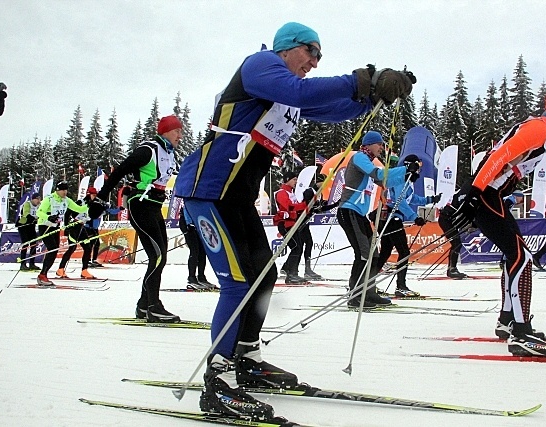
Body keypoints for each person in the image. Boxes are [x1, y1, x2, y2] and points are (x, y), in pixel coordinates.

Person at [174, 22, 414, 421]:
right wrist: (361, 78)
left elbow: (334, 111)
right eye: (310, 52)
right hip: (209, 191)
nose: (315, 62)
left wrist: (374, 97)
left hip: (236, 199)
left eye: (320, 56)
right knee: (239, 284)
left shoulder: (285, 92)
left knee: (263, 278)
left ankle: (247, 360)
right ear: (288, 48)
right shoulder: (260, 65)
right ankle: (218, 383)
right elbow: (301, 91)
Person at [452, 88, 546, 358]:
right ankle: (521, 332)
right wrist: (474, 194)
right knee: (521, 258)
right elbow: (497, 158)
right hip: (486, 193)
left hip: (491, 193)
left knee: (515, 256)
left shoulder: (542, 132)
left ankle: (508, 320)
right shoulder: (538, 128)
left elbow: (507, 163)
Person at [97, 115, 183, 323]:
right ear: (165, 131)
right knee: (158, 257)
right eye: (176, 131)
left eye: (181, 131)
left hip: (153, 206)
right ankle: (154, 306)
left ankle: (144, 305)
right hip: (140, 204)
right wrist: (100, 198)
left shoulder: (168, 152)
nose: (180, 135)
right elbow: (120, 171)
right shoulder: (149, 149)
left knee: (161, 256)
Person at [337, 131, 407, 308]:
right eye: (379, 144)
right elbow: (377, 174)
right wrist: (404, 169)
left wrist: (407, 175)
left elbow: (385, 183)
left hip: (358, 214)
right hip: (349, 211)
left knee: (373, 254)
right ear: (368, 145)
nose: (381, 148)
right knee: (364, 254)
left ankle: (370, 292)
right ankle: (355, 296)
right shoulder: (360, 157)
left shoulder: (368, 161)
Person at [375, 154, 441, 297]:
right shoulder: (401, 178)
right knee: (404, 252)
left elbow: (412, 198)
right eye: (418, 166)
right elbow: (400, 201)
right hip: (392, 219)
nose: (419, 170)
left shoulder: (408, 180)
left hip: (391, 218)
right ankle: (401, 286)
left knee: (385, 253)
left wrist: (430, 199)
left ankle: (367, 283)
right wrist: (414, 217)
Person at [36, 181, 90, 286]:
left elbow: (79, 209)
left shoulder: (66, 200)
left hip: (55, 227)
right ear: (57, 190)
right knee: (52, 249)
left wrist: (89, 204)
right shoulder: (49, 199)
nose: (65, 192)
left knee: (55, 250)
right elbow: (39, 212)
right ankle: (42, 275)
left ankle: (43, 275)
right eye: (62, 190)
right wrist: (49, 217)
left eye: (66, 190)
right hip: (45, 226)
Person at [273, 170, 314, 284]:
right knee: (296, 247)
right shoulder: (282, 192)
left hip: (292, 223)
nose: (296, 181)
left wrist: (308, 203)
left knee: (298, 246)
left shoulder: (291, 193)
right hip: (285, 224)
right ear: (287, 180)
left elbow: (296, 207)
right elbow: (289, 207)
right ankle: (291, 274)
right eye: (294, 179)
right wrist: (304, 204)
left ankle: (289, 270)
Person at [55, 194, 97, 280]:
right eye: (94, 195)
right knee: (72, 248)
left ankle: (84, 271)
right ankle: (61, 269)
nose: (95, 196)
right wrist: (67, 226)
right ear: (89, 194)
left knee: (88, 247)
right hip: (74, 226)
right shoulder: (80, 202)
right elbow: (67, 213)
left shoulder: (94, 204)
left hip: (82, 226)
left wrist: (92, 229)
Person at [179, 205, 215, 290]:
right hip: (187, 223)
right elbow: (186, 207)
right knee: (194, 251)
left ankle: (201, 277)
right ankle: (191, 278)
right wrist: (189, 224)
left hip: (197, 223)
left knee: (202, 251)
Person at [438, 193, 469, 279]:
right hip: (445, 219)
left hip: (449, 219)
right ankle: (452, 269)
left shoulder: (463, 192)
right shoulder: (464, 193)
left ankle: (452, 268)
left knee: (457, 243)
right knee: (456, 243)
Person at [17, 192, 42, 271]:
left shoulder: (39, 205)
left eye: (39, 199)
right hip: (23, 225)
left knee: (33, 244)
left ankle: (32, 263)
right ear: (33, 199)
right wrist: (33, 219)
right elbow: (26, 213)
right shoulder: (27, 204)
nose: (38, 201)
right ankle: (23, 264)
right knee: (25, 244)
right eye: (37, 199)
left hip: (31, 225)